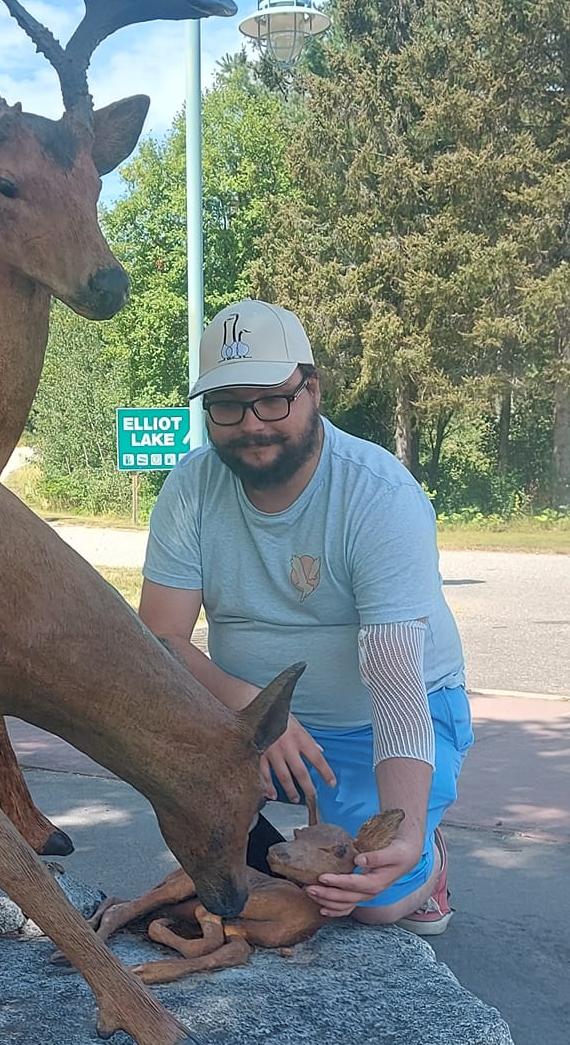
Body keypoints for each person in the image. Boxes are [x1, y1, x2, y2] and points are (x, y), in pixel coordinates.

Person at [138, 300, 473, 936]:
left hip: (379, 719)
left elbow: (395, 677)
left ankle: (427, 863)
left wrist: (399, 837)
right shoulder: (191, 486)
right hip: (252, 722)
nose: (250, 425)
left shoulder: (379, 496)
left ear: (311, 389)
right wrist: (259, 710)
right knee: (175, 779)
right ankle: (260, 855)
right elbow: (160, 640)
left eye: (271, 400)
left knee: (365, 901)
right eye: (227, 406)